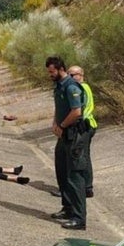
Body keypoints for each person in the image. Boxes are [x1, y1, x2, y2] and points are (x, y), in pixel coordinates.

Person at [47, 56, 88, 230]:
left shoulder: (71, 86)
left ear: (60, 69)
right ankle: (68, 208)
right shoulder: (59, 86)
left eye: (52, 71)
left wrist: (62, 126)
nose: (50, 75)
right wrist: (55, 123)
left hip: (74, 135)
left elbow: (77, 111)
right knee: (62, 172)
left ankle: (79, 218)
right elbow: (59, 107)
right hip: (63, 135)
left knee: (74, 177)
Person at [68, 66, 97, 198]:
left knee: (81, 156)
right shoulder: (84, 87)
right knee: (84, 155)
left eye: (73, 75)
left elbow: (80, 110)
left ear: (81, 75)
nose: (71, 77)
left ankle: (86, 187)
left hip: (84, 126)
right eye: (69, 75)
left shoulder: (81, 88)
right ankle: (86, 186)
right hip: (87, 125)